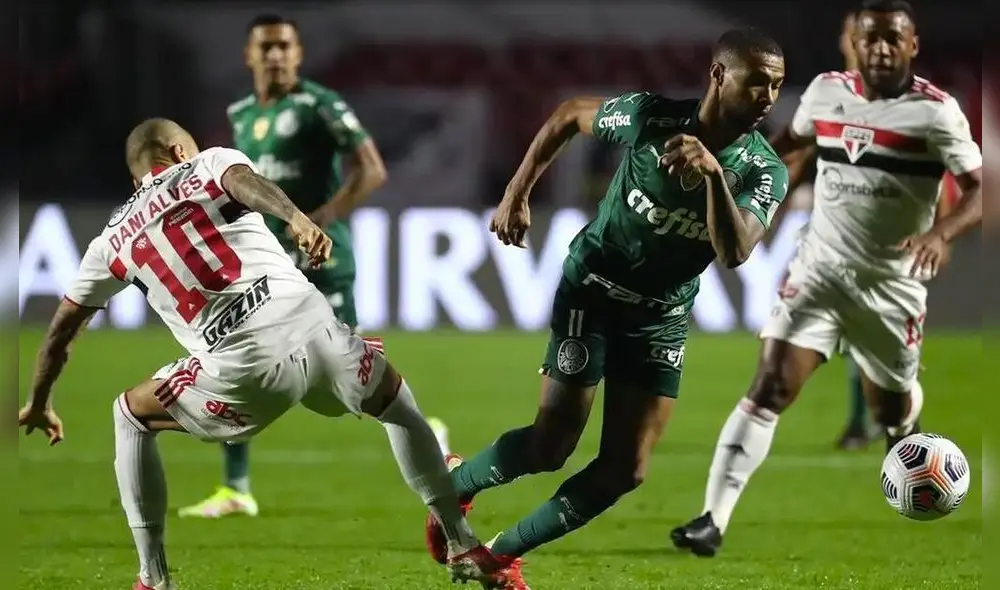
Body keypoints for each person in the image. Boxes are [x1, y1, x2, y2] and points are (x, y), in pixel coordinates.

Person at [17, 119, 501, 590]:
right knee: (396, 403)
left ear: (136, 175)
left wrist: (39, 400)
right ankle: (461, 543)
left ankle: (153, 579)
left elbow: (62, 329)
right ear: (181, 151)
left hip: (243, 375)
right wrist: (295, 217)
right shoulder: (209, 163)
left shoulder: (109, 242)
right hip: (317, 332)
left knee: (129, 413)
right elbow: (246, 183)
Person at [424, 29, 789, 588]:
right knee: (552, 446)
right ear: (719, 75)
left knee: (626, 469)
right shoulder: (651, 118)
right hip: (592, 291)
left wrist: (714, 173)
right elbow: (571, 114)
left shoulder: (764, 170)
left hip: (661, 316)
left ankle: (497, 555)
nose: (767, 96)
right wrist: (517, 192)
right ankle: (454, 486)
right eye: (757, 81)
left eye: (777, 85)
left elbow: (735, 251)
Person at [671, 0, 983, 558]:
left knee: (889, 410)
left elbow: (979, 189)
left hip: (892, 284)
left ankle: (903, 423)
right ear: (852, 43)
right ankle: (710, 520)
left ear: (912, 46)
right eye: (871, 38)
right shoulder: (824, 93)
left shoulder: (937, 113)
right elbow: (787, 150)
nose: (881, 48)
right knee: (769, 387)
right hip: (817, 269)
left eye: (894, 38)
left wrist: (942, 234)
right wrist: (756, 199)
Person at [178, 14, 392, 518]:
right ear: (249, 55)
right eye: (266, 47)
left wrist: (321, 217)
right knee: (234, 359)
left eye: (284, 47)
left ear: (298, 54)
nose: (275, 55)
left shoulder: (320, 104)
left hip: (322, 259)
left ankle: (419, 420)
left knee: (347, 392)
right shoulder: (241, 113)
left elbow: (373, 170)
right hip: (265, 265)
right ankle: (236, 489)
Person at [783, 9, 958, 451]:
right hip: (833, 234)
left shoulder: (915, 107)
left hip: (893, 246)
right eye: (855, 36)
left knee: (870, 337)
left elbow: (939, 181)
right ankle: (872, 420)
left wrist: (940, 233)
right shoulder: (830, 93)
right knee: (845, 333)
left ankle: (888, 414)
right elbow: (799, 151)